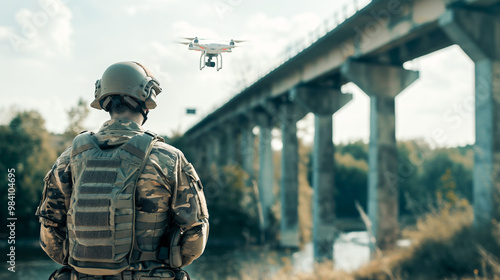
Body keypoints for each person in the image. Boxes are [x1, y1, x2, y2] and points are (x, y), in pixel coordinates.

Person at [36, 61, 209, 280]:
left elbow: (49, 226)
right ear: (147, 101)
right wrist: (162, 263)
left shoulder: (68, 158)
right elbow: (196, 230)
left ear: (104, 101)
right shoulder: (168, 158)